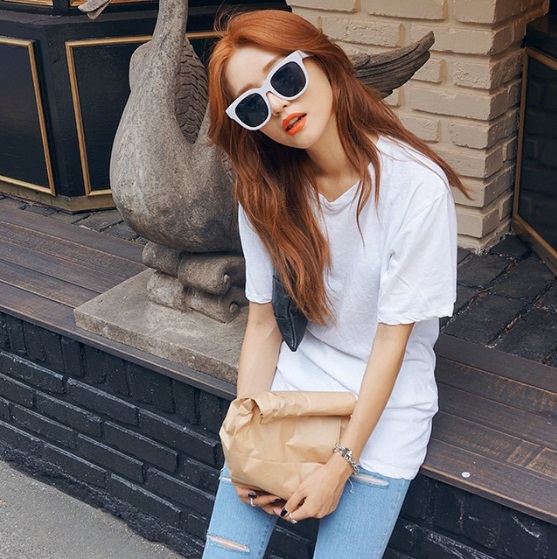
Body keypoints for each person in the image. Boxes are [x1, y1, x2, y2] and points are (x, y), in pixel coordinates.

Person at [203, 9, 468, 559]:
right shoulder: (265, 191)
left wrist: (340, 465)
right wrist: (245, 441)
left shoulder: (415, 186)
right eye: (253, 105)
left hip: (385, 406)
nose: (278, 106)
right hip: (294, 392)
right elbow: (263, 325)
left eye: (285, 78)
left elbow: (392, 341)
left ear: (323, 63)